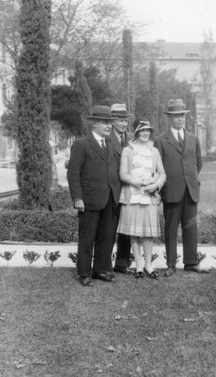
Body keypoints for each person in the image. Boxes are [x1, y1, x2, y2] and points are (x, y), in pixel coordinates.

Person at [67, 105, 121, 286]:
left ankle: (100, 270)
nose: (109, 126)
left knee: (106, 237)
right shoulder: (81, 144)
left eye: (110, 123)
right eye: (105, 122)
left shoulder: (112, 144)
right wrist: (77, 198)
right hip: (89, 199)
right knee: (87, 237)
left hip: (110, 199)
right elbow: (73, 174)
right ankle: (84, 273)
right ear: (94, 124)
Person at [154, 99, 208, 276]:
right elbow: (158, 167)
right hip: (171, 191)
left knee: (191, 227)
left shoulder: (193, 139)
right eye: (176, 116)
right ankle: (171, 264)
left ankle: (191, 262)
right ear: (170, 118)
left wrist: (189, 179)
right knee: (170, 229)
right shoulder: (161, 140)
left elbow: (198, 164)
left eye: (182, 116)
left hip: (190, 191)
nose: (180, 119)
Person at [117, 121, 166, 279]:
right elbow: (123, 174)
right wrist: (138, 182)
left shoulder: (154, 151)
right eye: (142, 130)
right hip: (132, 196)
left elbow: (162, 174)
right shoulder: (127, 150)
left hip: (149, 196)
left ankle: (148, 265)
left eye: (148, 130)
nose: (146, 133)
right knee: (135, 232)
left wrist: (155, 185)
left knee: (148, 234)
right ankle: (138, 265)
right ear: (136, 132)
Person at [109, 103, 133, 275]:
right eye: (120, 120)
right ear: (112, 121)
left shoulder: (131, 139)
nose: (124, 124)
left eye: (125, 120)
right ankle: (105, 263)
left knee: (126, 228)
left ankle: (122, 263)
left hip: (128, 190)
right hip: (112, 190)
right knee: (109, 228)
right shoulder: (106, 138)